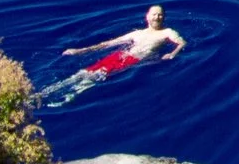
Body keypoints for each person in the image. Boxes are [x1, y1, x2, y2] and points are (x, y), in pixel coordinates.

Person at [44, 7, 184, 102]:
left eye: (160, 14)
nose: (157, 17)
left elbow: (182, 43)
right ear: (147, 17)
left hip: (134, 59)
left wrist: (173, 53)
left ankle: (72, 94)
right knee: (83, 72)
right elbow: (108, 44)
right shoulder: (137, 33)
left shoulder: (167, 32)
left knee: (97, 75)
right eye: (154, 14)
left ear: (164, 17)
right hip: (119, 55)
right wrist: (79, 51)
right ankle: (47, 91)